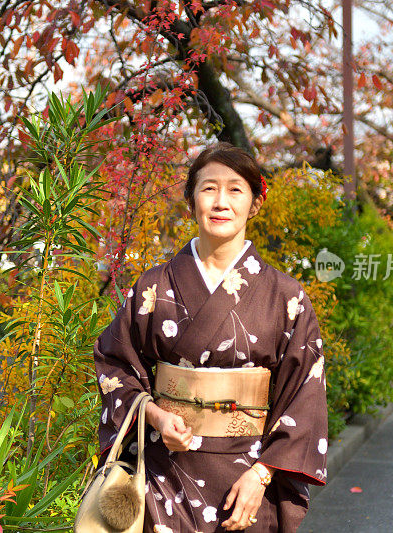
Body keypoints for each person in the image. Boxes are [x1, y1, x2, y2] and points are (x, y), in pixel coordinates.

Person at [93, 142, 328, 533]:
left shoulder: (285, 296)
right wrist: (153, 414)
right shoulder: (154, 287)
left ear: (254, 203)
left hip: (247, 480)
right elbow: (114, 362)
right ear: (191, 200)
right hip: (165, 472)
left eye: (236, 189)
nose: (221, 202)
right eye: (208, 188)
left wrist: (263, 475)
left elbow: (305, 392)